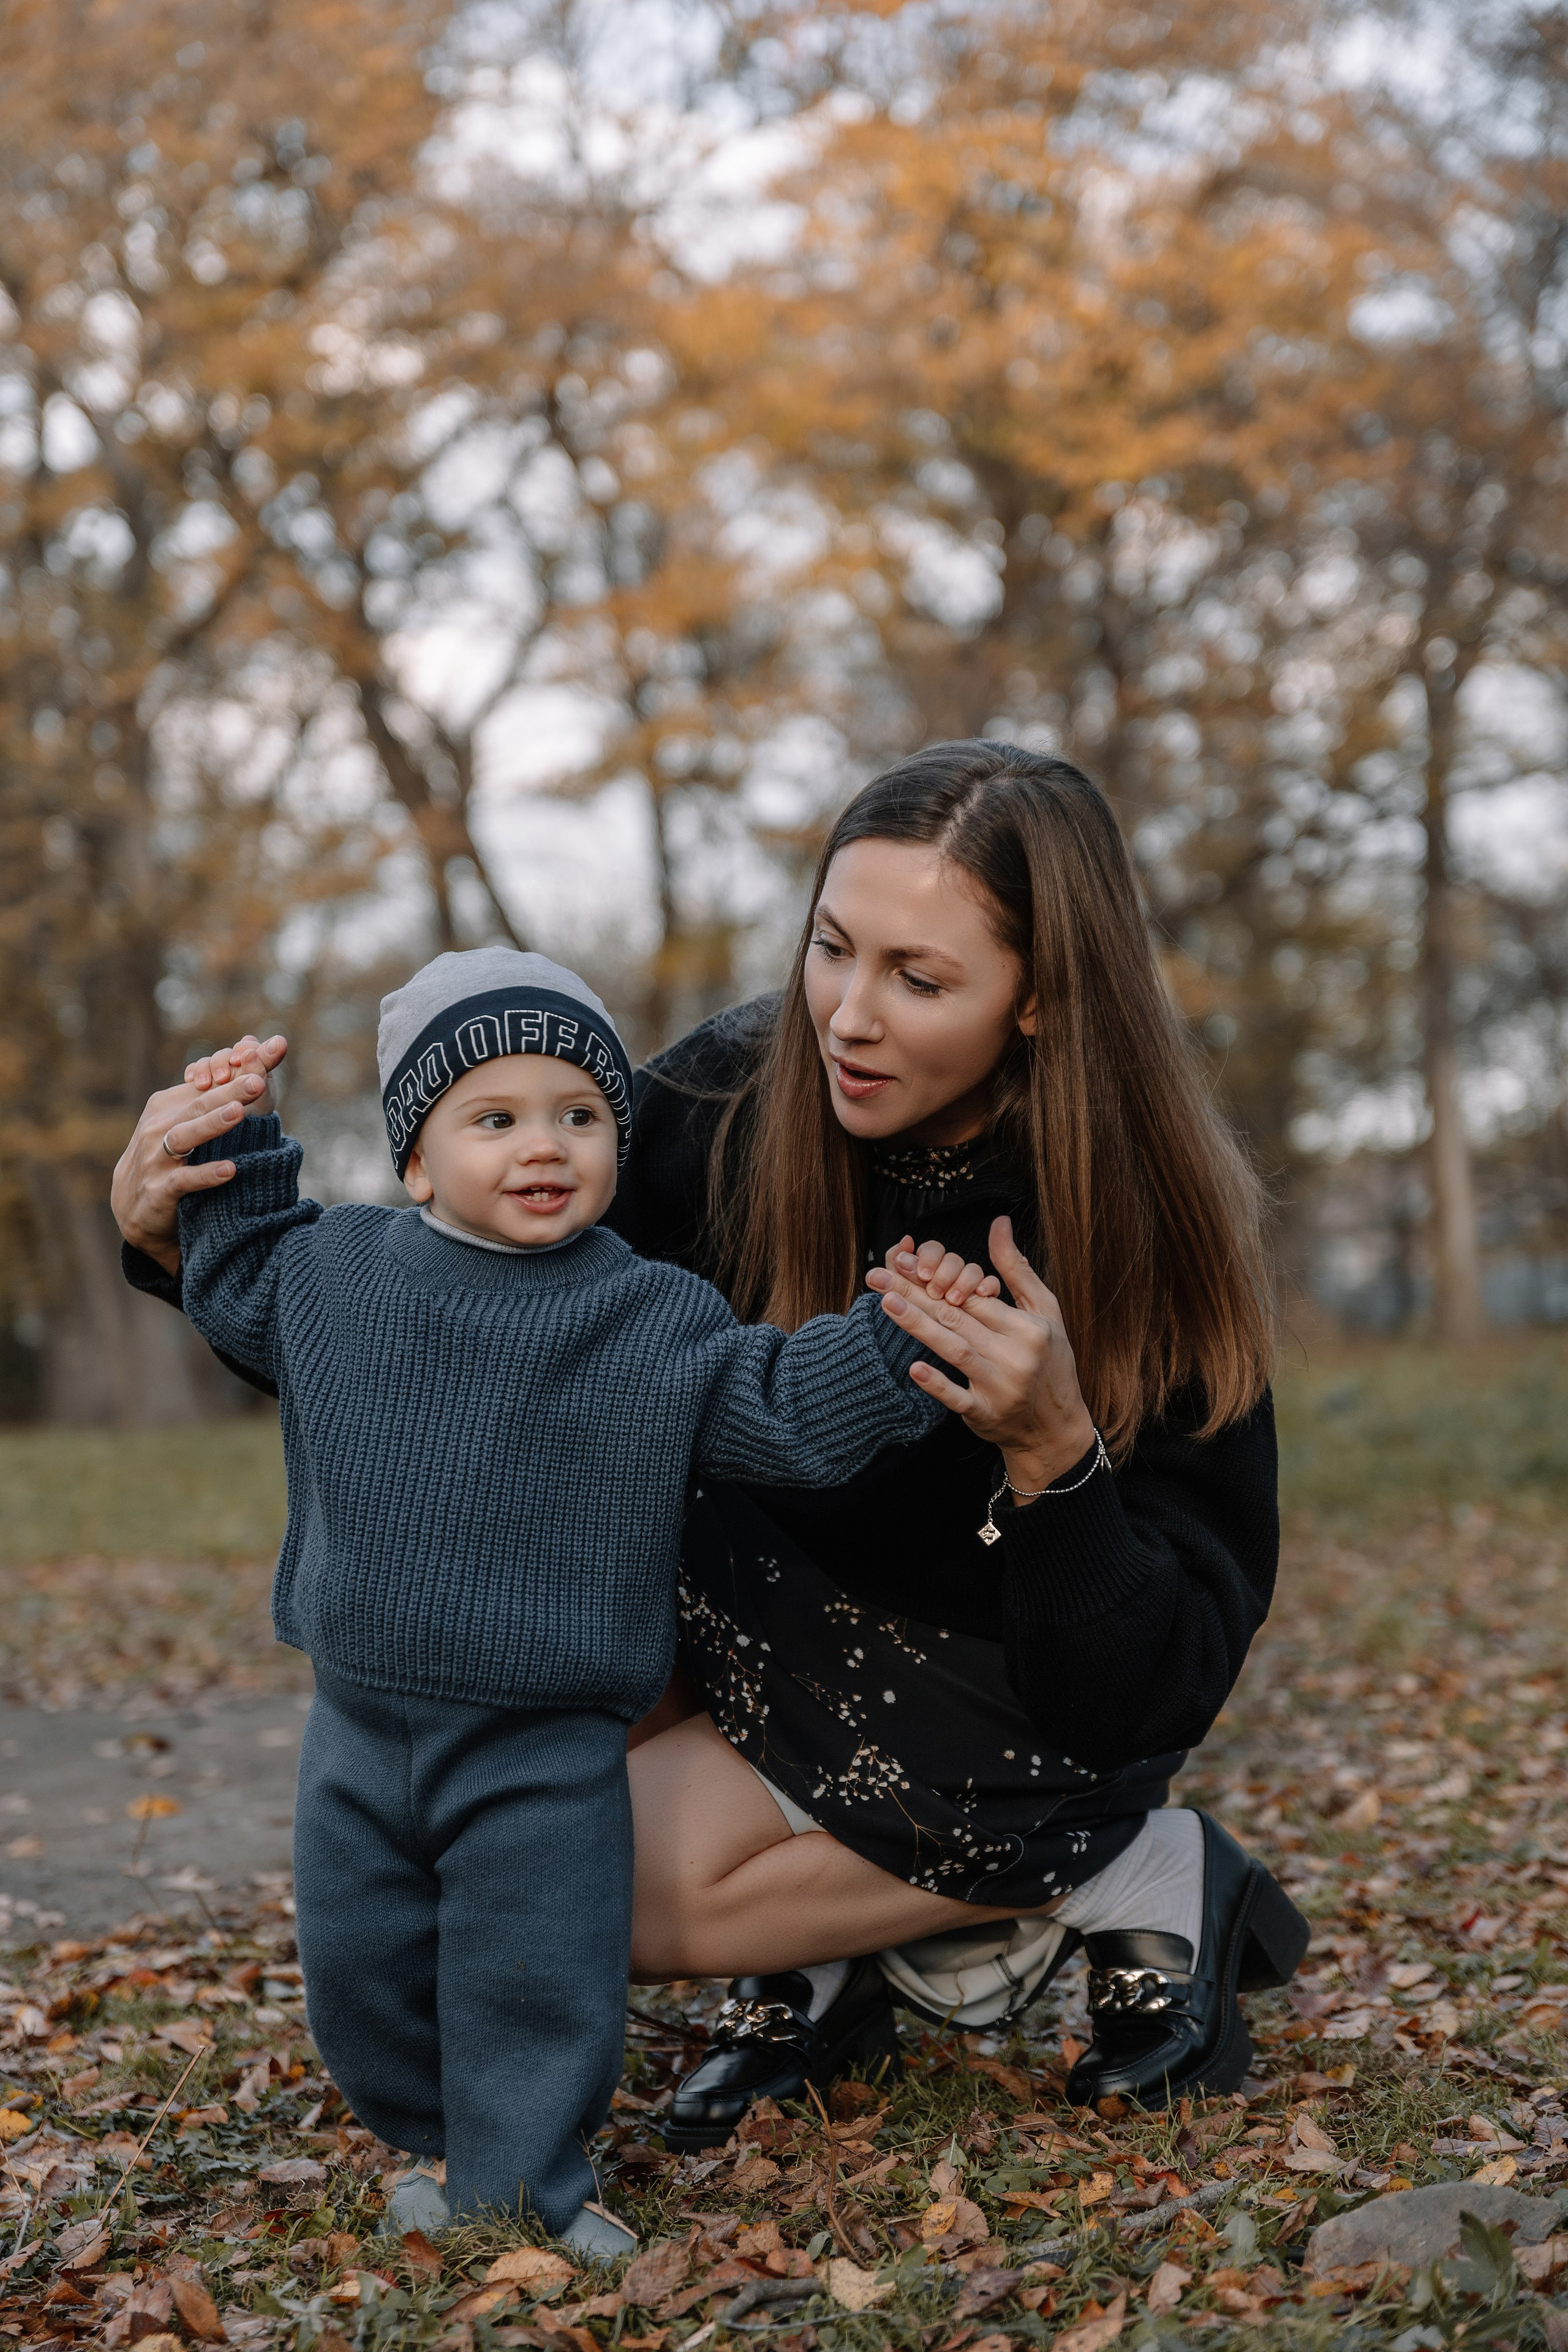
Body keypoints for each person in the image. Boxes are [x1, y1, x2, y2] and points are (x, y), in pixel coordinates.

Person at [112, 741, 1306, 2138]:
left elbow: (1153, 1687)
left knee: (562, 1890)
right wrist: (187, 1242)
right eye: (831, 949)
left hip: (990, 1697)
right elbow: (468, 1327)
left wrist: (1055, 1458)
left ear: (1039, 996)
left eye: (918, 981)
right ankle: (823, 1961)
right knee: (464, 1839)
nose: (847, 1017)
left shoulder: (1138, 1224)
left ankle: (1131, 1874)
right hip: (731, 1616)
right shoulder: (736, 1091)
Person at [150, 944, 978, 2250]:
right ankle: (436, 2137)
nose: (545, 1144)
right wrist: (235, 1133)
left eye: (580, 1114)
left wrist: (894, 1341)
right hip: (357, 1728)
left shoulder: (648, 1317)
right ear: (418, 1161)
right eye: (494, 1118)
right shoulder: (335, 1275)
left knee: (534, 1967)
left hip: (545, 1744)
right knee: (361, 1966)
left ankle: (523, 2183)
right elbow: (240, 1269)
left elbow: (775, 1411)